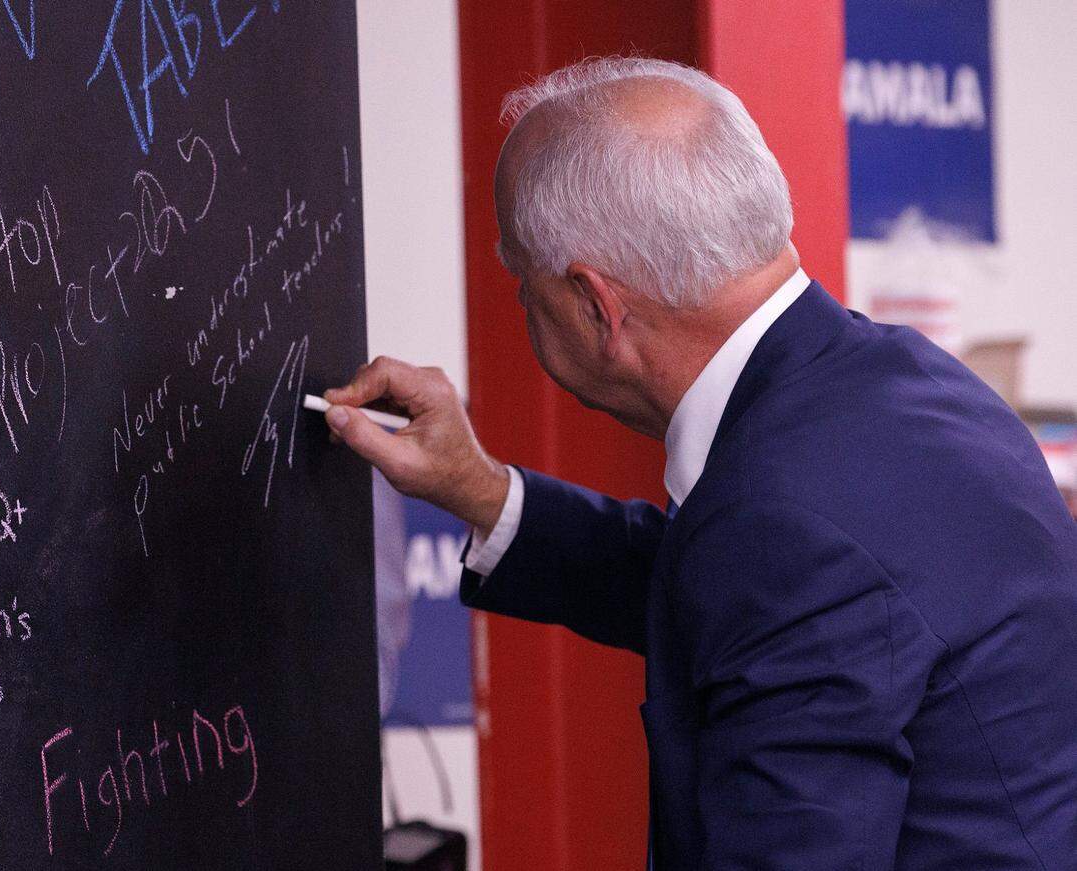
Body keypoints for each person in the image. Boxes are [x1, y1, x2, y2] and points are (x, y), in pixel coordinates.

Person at [324, 57, 1077, 868]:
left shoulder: (781, 521)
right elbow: (742, 594)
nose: (520, 306)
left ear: (595, 305)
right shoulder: (907, 384)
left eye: (521, 283)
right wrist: (478, 489)